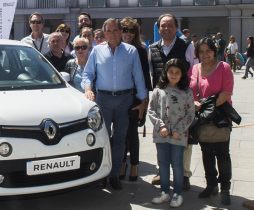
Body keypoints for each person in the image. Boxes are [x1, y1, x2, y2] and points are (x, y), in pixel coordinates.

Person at [82, 18, 147, 191]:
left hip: (124, 100)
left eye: (115, 30)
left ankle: (114, 175)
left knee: (119, 139)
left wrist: (143, 103)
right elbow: (87, 74)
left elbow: (139, 78)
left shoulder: (131, 51)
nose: (112, 34)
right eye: (108, 31)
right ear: (104, 33)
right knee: (101, 138)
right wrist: (88, 89)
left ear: (120, 31)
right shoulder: (96, 51)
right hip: (102, 99)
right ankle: (101, 175)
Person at [148, 14, 195, 190]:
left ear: (176, 28)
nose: (166, 29)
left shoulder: (187, 46)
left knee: (184, 139)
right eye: (162, 26)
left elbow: (195, 70)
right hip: (161, 101)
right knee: (162, 136)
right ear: (158, 28)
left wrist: (193, 99)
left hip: (182, 100)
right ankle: (162, 172)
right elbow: (152, 72)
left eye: (170, 25)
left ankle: (184, 175)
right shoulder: (152, 48)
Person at [188, 38, 234, 205]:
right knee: (206, 153)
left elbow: (227, 92)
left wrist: (209, 107)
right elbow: (189, 90)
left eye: (208, 51)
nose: (205, 54)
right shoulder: (194, 69)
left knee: (222, 154)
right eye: (201, 51)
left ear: (214, 51)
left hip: (220, 117)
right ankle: (211, 185)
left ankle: (225, 189)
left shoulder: (224, 67)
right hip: (201, 118)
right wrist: (192, 102)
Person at [148, 59, 194, 208]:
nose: (173, 75)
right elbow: (151, 110)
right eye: (171, 72)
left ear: (182, 75)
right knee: (163, 164)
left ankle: (177, 193)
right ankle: (164, 192)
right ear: (165, 73)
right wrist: (160, 126)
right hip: (161, 134)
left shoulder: (187, 92)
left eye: (177, 72)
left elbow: (190, 114)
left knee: (177, 164)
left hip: (178, 136)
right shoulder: (158, 91)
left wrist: (178, 130)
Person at [119, 18, 152, 182]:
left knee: (132, 132)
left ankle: (134, 166)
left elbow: (146, 76)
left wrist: (143, 102)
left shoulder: (140, 50)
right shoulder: (115, 48)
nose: (128, 33)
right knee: (120, 132)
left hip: (135, 96)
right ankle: (122, 163)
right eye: (125, 30)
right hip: (119, 95)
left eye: (131, 30)